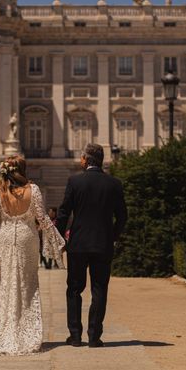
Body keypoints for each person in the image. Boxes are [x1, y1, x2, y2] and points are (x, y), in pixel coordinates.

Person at [0, 155, 64, 356]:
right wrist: (57, 240)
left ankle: (6, 335)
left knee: (7, 284)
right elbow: (42, 218)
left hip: (6, 238)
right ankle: (27, 335)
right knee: (27, 285)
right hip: (27, 237)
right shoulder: (33, 190)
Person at [57, 143, 127, 348]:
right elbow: (122, 216)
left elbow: (63, 213)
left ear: (86, 160)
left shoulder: (74, 182)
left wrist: (60, 239)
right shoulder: (114, 183)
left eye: (81, 158)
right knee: (99, 289)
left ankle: (76, 336)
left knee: (74, 289)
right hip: (103, 244)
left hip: (78, 244)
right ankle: (94, 336)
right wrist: (112, 235)